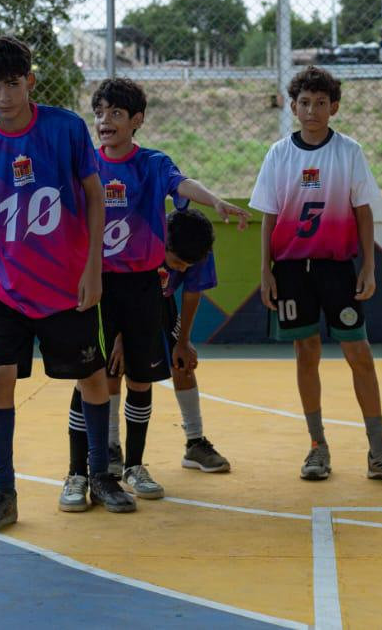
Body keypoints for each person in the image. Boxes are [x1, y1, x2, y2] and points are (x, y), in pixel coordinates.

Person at [0, 36, 134, 535]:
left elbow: (94, 195)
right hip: (7, 289)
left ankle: (100, 475)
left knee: (91, 377)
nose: (4, 95)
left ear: (30, 82)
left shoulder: (65, 128)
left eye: (14, 84)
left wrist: (93, 268)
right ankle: (3, 493)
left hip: (66, 287)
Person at [59, 78, 247, 511]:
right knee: (91, 375)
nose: (105, 120)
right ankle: (78, 471)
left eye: (116, 113)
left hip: (143, 285)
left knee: (141, 379)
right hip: (99, 282)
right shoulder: (86, 166)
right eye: (99, 113)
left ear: (137, 120)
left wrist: (216, 201)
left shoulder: (152, 164)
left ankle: (134, 466)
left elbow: (182, 184)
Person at [248, 65, 382, 484]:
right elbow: (269, 216)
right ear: (293, 107)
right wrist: (265, 271)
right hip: (291, 269)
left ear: (334, 107)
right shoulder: (279, 154)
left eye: (321, 103)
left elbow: (363, 211)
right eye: (304, 103)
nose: (312, 110)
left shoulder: (349, 152)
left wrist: (369, 266)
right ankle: (317, 445)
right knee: (306, 353)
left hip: (337, 268)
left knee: (359, 353)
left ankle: (378, 452)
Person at [65, 207, 231, 497]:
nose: (181, 270)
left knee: (181, 363)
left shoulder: (197, 246)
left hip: (158, 302)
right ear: (162, 244)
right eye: (177, 263)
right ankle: (111, 447)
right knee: (112, 367)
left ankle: (194, 442)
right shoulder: (139, 239)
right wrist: (120, 339)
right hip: (117, 299)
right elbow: (115, 291)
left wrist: (184, 340)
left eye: (187, 266)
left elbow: (192, 292)